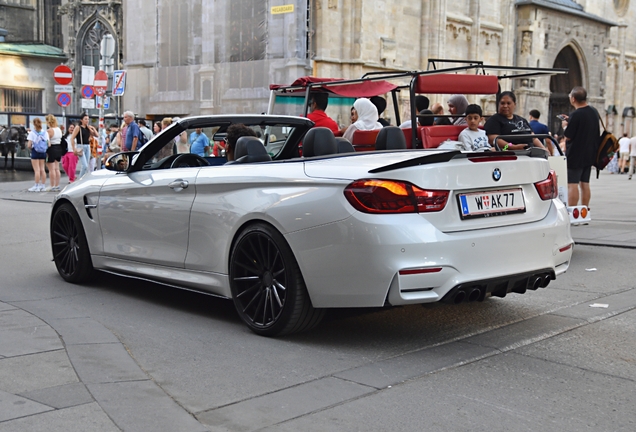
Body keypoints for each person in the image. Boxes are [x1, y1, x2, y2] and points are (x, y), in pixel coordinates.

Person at [562, 86, 599, 208]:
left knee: (572, 183)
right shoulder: (593, 111)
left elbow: (568, 136)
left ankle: (573, 211)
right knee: (585, 183)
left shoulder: (576, 114)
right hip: (589, 153)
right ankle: (585, 210)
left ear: (573, 99)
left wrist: (565, 126)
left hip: (576, 154)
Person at [70, 113, 98, 179]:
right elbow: (72, 138)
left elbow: (96, 135)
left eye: (88, 119)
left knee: (86, 165)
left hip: (87, 146)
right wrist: (74, 149)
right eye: (85, 119)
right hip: (81, 146)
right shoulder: (78, 127)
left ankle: (83, 179)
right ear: (81, 120)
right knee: (84, 165)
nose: (87, 120)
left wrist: (92, 128)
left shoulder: (88, 128)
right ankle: (80, 180)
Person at [27, 118, 49, 192]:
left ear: (34, 124)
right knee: (42, 169)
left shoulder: (32, 133)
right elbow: (48, 144)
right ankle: (43, 186)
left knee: (37, 170)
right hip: (43, 152)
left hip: (35, 152)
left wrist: (32, 147)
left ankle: (36, 186)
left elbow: (29, 145)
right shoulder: (45, 133)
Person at [45, 114, 63, 191]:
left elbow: (47, 142)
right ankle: (57, 185)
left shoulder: (49, 131)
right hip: (58, 148)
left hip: (51, 149)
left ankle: (51, 185)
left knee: (51, 169)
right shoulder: (59, 129)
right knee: (57, 168)